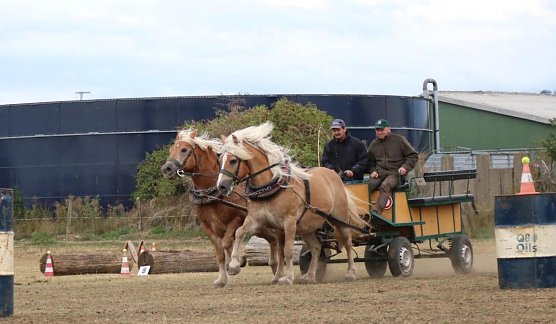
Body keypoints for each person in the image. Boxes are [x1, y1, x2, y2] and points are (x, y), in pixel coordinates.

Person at [368, 119, 418, 215]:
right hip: (380, 173)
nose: (379, 132)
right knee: (367, 186)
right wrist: (372, 171)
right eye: (377, 130)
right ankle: (362, 210)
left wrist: (405, 168)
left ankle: (376, 212)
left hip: (396, 174)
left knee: (385, 185)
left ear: (388, 129)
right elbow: (370, 161)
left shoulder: (399, 140)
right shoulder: (374, 144)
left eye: (381, 130)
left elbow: (413, 155)